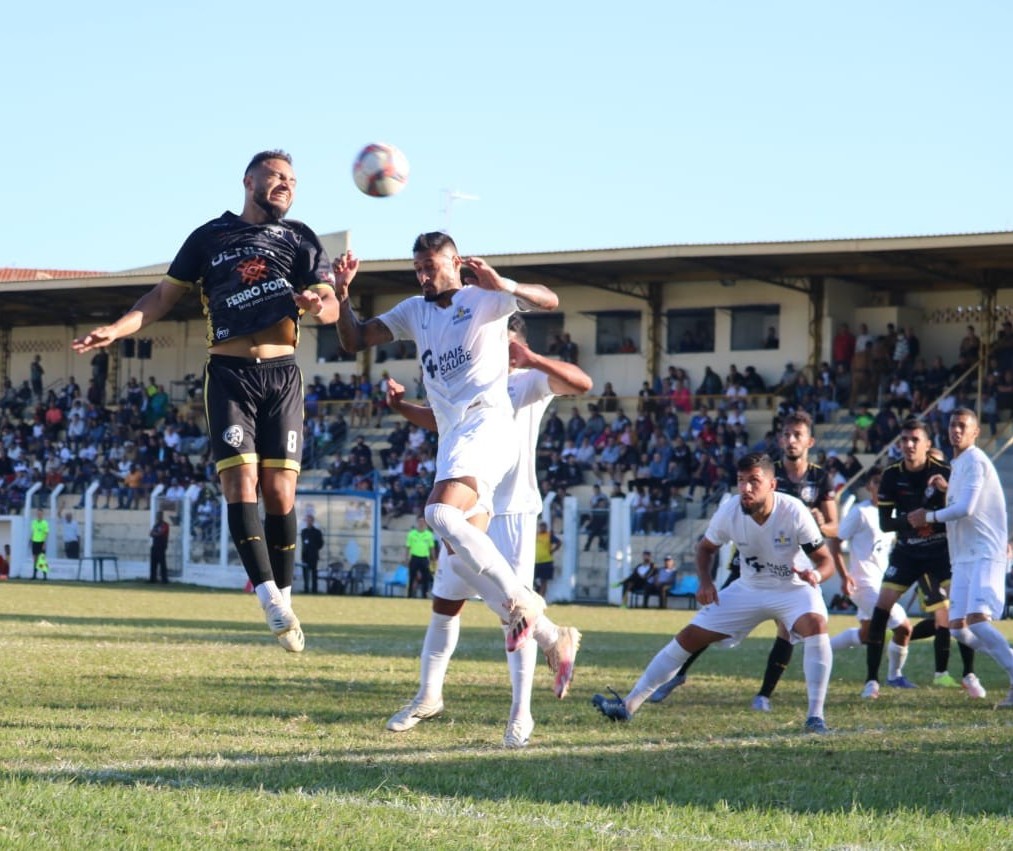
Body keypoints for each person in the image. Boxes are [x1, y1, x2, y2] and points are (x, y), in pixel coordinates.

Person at [72, 150, 338, 653]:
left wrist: (317, 301)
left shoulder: (301, 238)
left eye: (293, 180)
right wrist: (116, 328)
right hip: (230, 375)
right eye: (276, 176)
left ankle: (284, 593)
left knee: (281, 494)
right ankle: (267, 597)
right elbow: (160, 298)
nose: (285, 184)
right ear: (249, 180)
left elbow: (329, 308)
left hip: (282, 375)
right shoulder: (208, 237)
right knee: (240, 483)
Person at [334, 231, 559, 652]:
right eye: (417, 268)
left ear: (455, 263)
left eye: (430, 267)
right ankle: (549, 635)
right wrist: (343, 295)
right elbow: (355, 340)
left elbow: (549, 300)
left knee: (437, 512)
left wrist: (503, 283)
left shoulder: (484, 298)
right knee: (457, 563)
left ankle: (522, 600)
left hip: (487, 423)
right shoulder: (413, 311)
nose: (423, 276)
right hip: (454, 435)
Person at [383, 313, 591, 747]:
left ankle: (521, 714)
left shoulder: (527, 380)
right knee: (446, 600)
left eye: (503, 338)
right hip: (473, 497)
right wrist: (403, 408)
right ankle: (427, 695)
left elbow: (581, 382)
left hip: (512, 508)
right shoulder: (472, 379)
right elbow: (442, 423)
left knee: (514, 617)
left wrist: (532, 357)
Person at [593, 453, 834, 734]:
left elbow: (825, 561)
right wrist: (705, 582)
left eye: (754, 481)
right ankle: (628, 706)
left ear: (772, 484)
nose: (745, 488)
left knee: (816, 625)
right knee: (689, 636)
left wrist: (815, 575)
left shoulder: (793, 511)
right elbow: (705, 548)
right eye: (740, 481)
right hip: (749, 587)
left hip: (793, 588)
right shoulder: (730, 510)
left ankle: (815, 717)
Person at [651, 411, 853, 709]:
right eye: (786, 434)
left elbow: (837, 527)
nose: (790, 440)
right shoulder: (766, 471)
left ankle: (764, 695)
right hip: (750, 561)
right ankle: (676, 674)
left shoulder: (820, 477)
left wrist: (819, 524)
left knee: (788, 629)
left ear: (810, 441)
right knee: (712, 616)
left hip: (791, 565)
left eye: (797, 435)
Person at [863, 418, 981, 699]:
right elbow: (885, 523)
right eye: (904, 440)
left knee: (958, 608)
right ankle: (872, 681)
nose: (909, 445)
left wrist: (932, 518)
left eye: (915, 439)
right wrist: (911, 521)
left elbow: (964, 511)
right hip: (908, 551)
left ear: (928, 445)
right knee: (881, 608)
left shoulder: (944, 472)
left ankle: (969, 674)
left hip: (942, 550)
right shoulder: (891, 475)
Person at [908, 409, 1013, 708]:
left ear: (975, 432)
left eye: (963, 426)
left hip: (984, 553)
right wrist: (947, 488)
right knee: (957, 628)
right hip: (963, 557)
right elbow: (960, 501)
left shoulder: (977, 461)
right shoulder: (959, 465)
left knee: (979, 623)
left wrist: (926, 516)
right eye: (953, 424)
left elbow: (966, 509)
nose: (957, 430)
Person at [829, 467, 915, 684]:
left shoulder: (892, 513)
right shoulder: (860, 512)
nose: (881, 487)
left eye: (884, 482)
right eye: (876, 482)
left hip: (883, 582)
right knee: (904, 628)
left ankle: (821, 647)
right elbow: (835, 542)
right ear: (869, 486)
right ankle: (895, 676)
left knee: (866, 634)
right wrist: (844, 575)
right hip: (863, 584)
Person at [404, 514, 436, 599]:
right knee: (412, 577)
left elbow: (431, 548)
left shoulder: (429, 535)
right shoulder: (412, 534)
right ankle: (409, 595)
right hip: (414, 557)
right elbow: (408, 547)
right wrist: (406, 558)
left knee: (425, 578)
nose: (421, 523)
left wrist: (433, 559)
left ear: (425, 523)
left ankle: (424, 595)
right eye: (420, 521)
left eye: (423, 521)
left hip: (424, 558)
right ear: (417, 522)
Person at [533, 519, 561, 598]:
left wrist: (553, 550)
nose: (542, 528)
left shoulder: (549, 535)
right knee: (533, 579)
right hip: (536, 561)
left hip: (546, 561)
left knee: (544, 581)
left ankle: (541, 598)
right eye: (541, 527)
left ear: (546, 527)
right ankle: (537, 590)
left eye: (543, 527)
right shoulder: (536, 535)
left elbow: (559, 542)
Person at [300, 513, 325, 594]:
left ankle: (314, 590)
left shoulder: (317, 532)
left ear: (313, 521)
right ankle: (306, 589)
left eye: (310, 520)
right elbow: (303, 543)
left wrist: (314, 548)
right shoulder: (304, 532)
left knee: (314, 574)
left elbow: (320, 543)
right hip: (305, 556)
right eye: (307, 520)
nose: (308, 522)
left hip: (313, 556)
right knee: (305, 574)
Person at [149, 511, 170, 584]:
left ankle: (164, 579)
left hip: (161, 546)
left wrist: (155, 533)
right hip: (155, 546)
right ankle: (152, 578)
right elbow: (151, 533)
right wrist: (155, 533)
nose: (158, 517)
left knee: (162, 563)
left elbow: (161, 533)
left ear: (162, 516)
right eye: (157, 516)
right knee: (153, 563)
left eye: (159, 515)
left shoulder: (165, 525)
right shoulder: (156, 525)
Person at [30, 508, 49, 580]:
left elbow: (46, 533)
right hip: (35, 542)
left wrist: (44, 542)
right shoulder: (34, 522)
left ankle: (45, 576)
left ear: (42, 514)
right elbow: (33, 532)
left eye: (40, 513)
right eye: (38, 513)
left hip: (41, 542)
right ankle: (34, 575)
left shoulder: (45, 523)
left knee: (42, 559)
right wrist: (31, 540)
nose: (39, 515)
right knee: (35, 559)